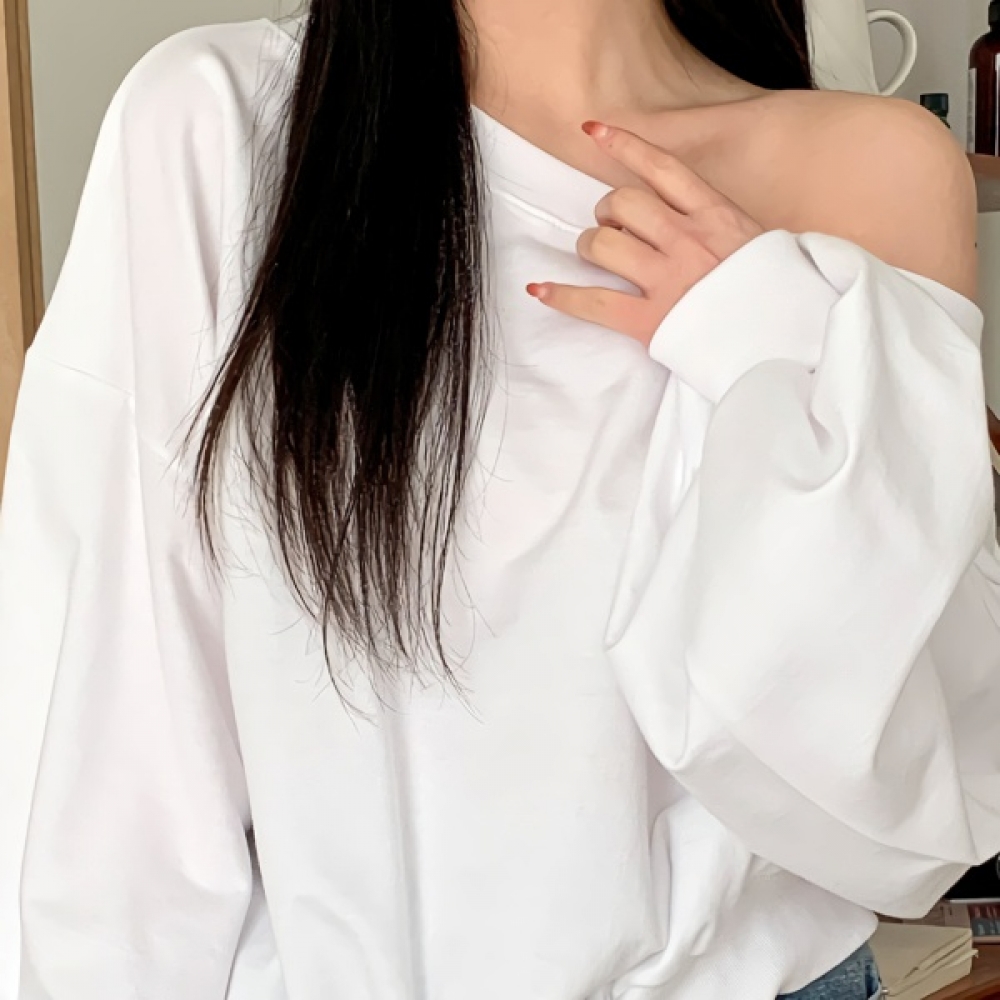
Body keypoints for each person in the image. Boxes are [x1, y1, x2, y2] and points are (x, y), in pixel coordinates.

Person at [1, 0, 998, 997]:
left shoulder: (873, 171)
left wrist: (759, 337)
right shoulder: (217, 124)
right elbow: (112, 755)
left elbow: (903, 808)